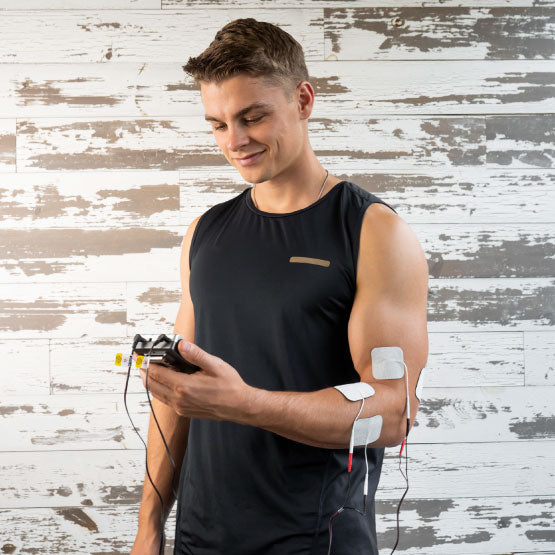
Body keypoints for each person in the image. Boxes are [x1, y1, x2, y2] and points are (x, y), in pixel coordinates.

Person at [130, 17, 428, 555]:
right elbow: (178, 393)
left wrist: (246, 404)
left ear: (304, 99)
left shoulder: (372, 231)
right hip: (200, 540)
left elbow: (392, 413)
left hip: (316, 540)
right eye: (218, 125)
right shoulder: (206, 232)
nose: (235, 140)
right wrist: (150, 524)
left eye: (253, 117)